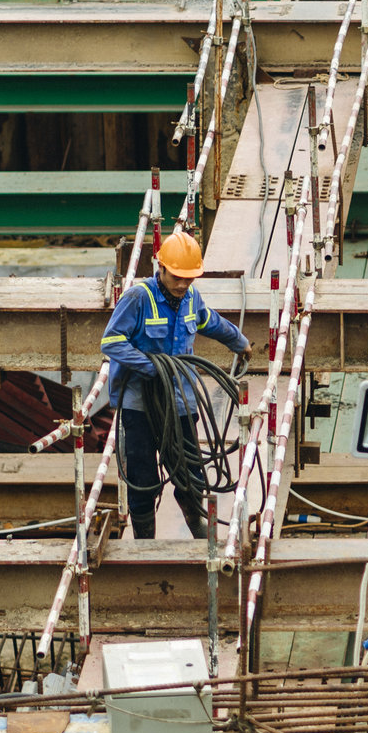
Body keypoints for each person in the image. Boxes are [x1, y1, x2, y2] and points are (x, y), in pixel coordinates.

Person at [98, 230, 251, 539]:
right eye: (177, 277)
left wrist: (240, 342)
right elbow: (111, 342)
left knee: (190, 471)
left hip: (180, 400)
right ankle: (145, 542)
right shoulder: (138, 298)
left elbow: (209, 321)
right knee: (143, 477)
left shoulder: (191, 298)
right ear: (162, 268)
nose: (182, 284)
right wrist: (152, 367)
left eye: (189, 278)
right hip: (138, 404)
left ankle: (196, 523)